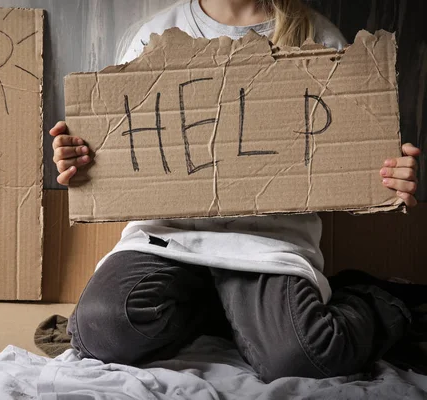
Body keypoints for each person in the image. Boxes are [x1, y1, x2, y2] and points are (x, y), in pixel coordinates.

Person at [50, 0, 424, 383]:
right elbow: (118, 147)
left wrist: (390, 174)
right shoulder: (155, 35)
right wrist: (79, 160)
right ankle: (226, 311)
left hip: (266, 246)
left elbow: (351, 154)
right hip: (165, 238)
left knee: (306, 356)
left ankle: (376, 301)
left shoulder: (319, 37)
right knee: (101, 329)